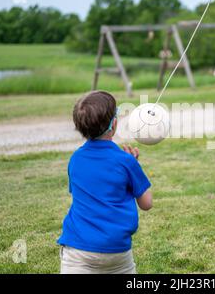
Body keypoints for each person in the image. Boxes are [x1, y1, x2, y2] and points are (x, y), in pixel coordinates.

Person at [57, 91, 152, 274]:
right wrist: (134, 167)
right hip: (117, 251)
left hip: (78, 250)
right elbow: (147, 204)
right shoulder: (126, 161)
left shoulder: (75, 159)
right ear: (114, 124)